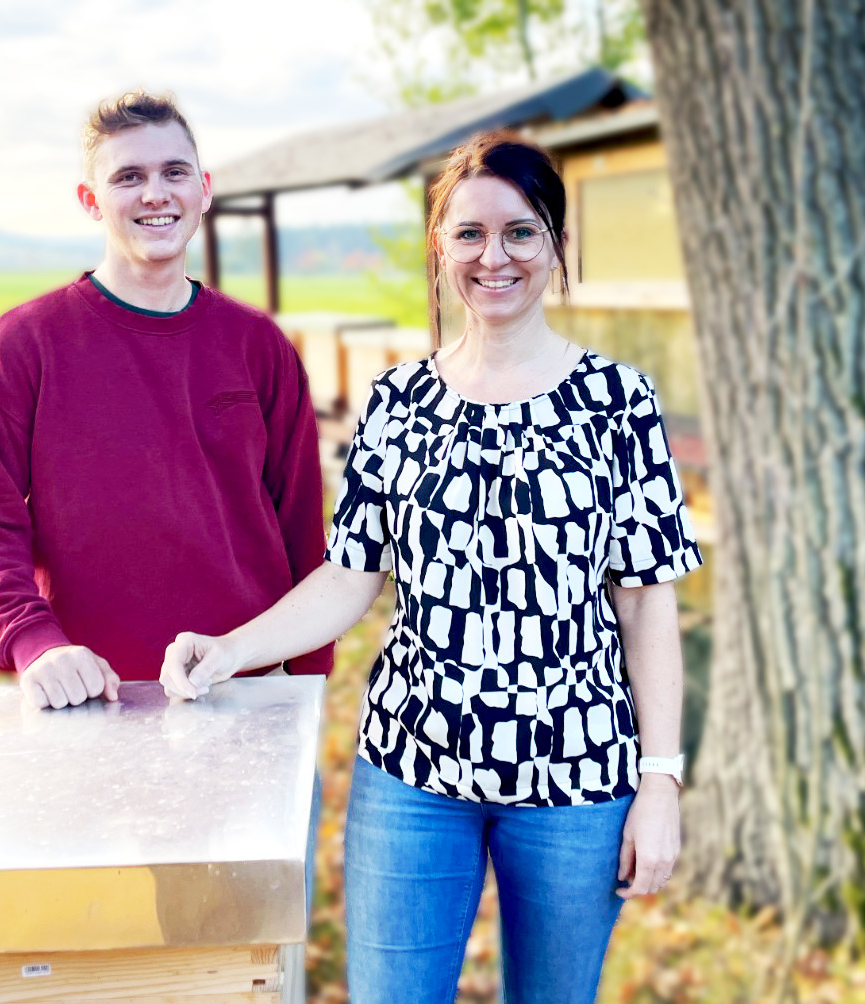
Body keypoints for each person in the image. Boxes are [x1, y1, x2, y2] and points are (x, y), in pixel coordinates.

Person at [160, 129, 703, 1004]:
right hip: (412, 774)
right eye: (469, 234)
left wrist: (660, 780)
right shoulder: (398, 399)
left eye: (521, 232)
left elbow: (646, 607)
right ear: (439, 248)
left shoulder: (618, 401)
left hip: (577, 780)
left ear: (558, 247)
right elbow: (349, 575)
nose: (495, 256)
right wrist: (230, 648)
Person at [0, 90, 332, 710]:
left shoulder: (258, 346)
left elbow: (302, 526)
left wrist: (304, 679)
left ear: (202, 189)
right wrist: (33, 642)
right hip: (91, 696)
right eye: (128, 177)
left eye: (174, 172)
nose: (155, 194)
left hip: (244, 689)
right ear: (91, 200)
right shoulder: (22, 347)